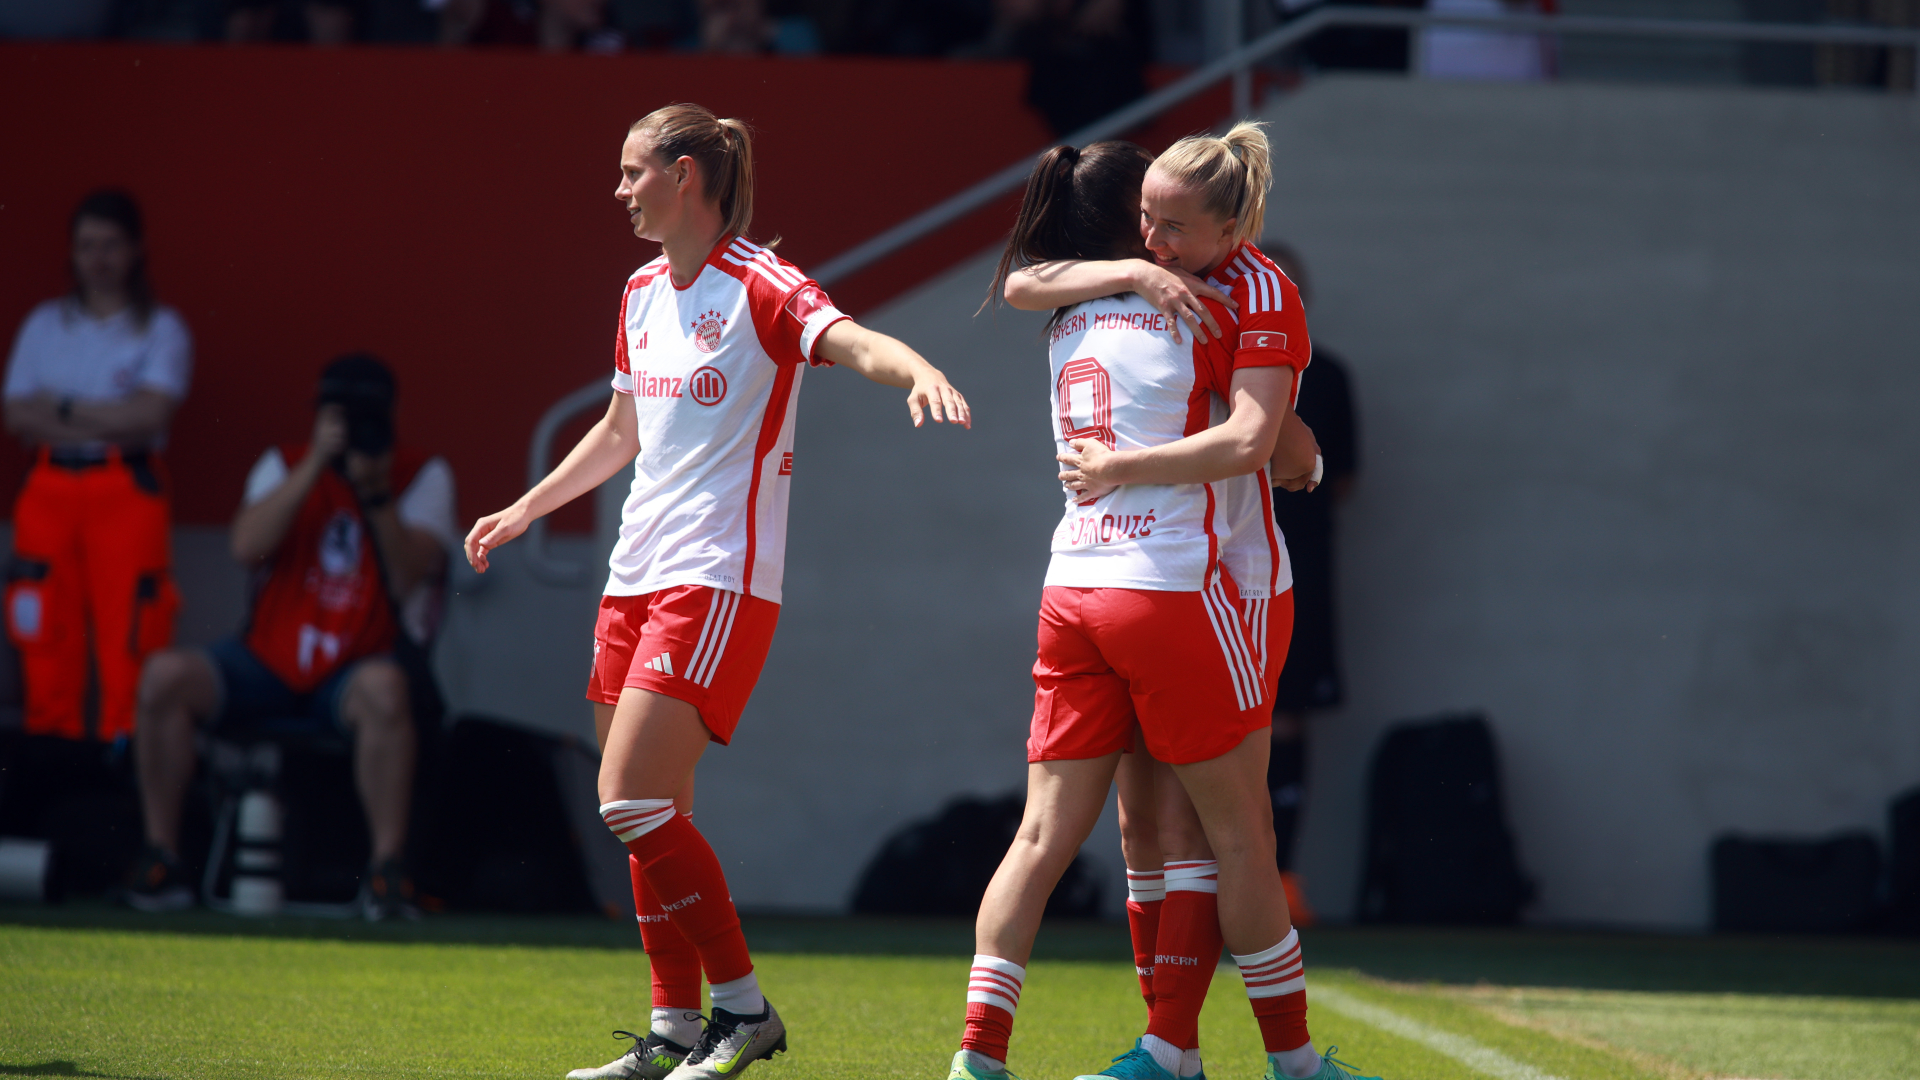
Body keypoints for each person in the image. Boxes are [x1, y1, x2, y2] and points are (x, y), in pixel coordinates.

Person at [460, 103, 970, 1080]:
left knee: (627, 803)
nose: (618, 190)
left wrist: (915, 368)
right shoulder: (642, 289)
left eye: (631, 172)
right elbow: (619, 432)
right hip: (633, 576)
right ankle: (675, 1029)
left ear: (686, 174)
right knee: (655, 819)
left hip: (717, 580)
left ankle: (745, 1010)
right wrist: (527, 509)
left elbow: (849, 338)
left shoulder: (758, 284)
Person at [984, 124, 1379, 1080]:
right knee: (1225, 831)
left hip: (1079, 582)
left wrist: (1295, 450)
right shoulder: (1195, 291)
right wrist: (1303, 454)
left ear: (1231, 221)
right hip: (1192, 587)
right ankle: (1262, 1060)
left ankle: (1031, 1053)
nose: (1155, 243)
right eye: (1147, 222)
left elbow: (1023, 283)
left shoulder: (1091, 296)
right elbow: (1260, 441)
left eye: (1172, 227)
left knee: (1121, 832)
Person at [123, 353, 456, 919]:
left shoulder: (421, 475)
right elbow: (244, 548)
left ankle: (386, 870)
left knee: (386, 690)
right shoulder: (284, 464)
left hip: (357, 662)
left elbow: (407, 578)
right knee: (163, 677)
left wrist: (375, 494)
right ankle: (164, 858)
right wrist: (315, 468)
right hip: (265, 658)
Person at [4, 189, 191, 747]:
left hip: (125, 485)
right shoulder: (44, 326)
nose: (98, 258)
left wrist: (58, 408)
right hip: (48, 485)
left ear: (135, 250)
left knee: (132, 631)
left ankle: (126, 758)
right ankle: (50, 756)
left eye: (111, 244)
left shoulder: (161, 328)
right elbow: (16, 414)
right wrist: (105, 415)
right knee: (42, 629)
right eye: (87, 245)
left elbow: (150, 414)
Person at [1258, 242, 1360, 883]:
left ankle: (1280, 877)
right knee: (1216, 718)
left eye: (1287, 292)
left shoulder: (1325, 377)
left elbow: (1341, 477)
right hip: (1212, 566)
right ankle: (1201, 881)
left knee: (1286, 712)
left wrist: (1296, 473)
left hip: (1298, 567)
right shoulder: (1209, 365)